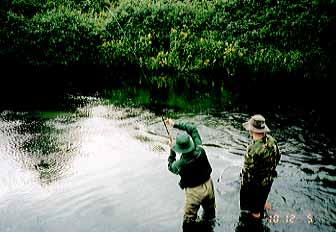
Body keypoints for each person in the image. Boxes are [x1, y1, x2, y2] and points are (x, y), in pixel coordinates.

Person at [164, 119, 216, 231]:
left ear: (180, 148)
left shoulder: (180, 163)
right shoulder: (200, 149)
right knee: (210, 215)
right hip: (209, 185)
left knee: (188, 222)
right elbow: (192, 129)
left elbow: (170, 166)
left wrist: (172, 149)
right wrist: (175, 124)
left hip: (194, 192)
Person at [240, 114, 281, 220]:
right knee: (262, 198)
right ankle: (263, 203)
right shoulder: (272, 141)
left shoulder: (252, 149)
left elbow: (247, 173)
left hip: (255, 185)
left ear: (251, 130)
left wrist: (244, 187)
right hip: (268, 180)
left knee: (254, 212)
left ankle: (256, 223)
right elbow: (278, 157)